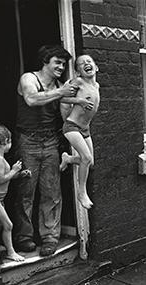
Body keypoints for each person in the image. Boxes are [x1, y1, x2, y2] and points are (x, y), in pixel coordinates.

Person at [14, 45, 78, 256]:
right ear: (45, 61)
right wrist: (61, 92)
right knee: (25, 191)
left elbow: (64, 118)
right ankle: (24, 238)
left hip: (50, 141)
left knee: (51, 192)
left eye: (63, 63)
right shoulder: (29, 79)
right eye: (57, 62)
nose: (61, 67)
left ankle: (50, 238)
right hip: (28, 141)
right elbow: (32, 99)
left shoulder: (60, 86)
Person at [59, 54, 100, 209]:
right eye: (81, 63)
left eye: (89, 61)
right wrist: (79, 100)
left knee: (90, 162)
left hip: (85, 128)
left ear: (96, 67)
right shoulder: (78, 82)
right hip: (71, 126)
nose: (86, 64)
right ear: (78, 72)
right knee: (86, 157)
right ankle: (81, 193)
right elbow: (61, 98)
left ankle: (68, 159)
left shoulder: (96, 86)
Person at [0, 125, 31, 262]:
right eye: (10, 141)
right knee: (8, 225)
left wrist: (19, 175)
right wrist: (14, 170)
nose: (11, 144)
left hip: (0, 198)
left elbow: (3, 177)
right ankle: (11, 252)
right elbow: (1, 179)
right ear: (3, 142)